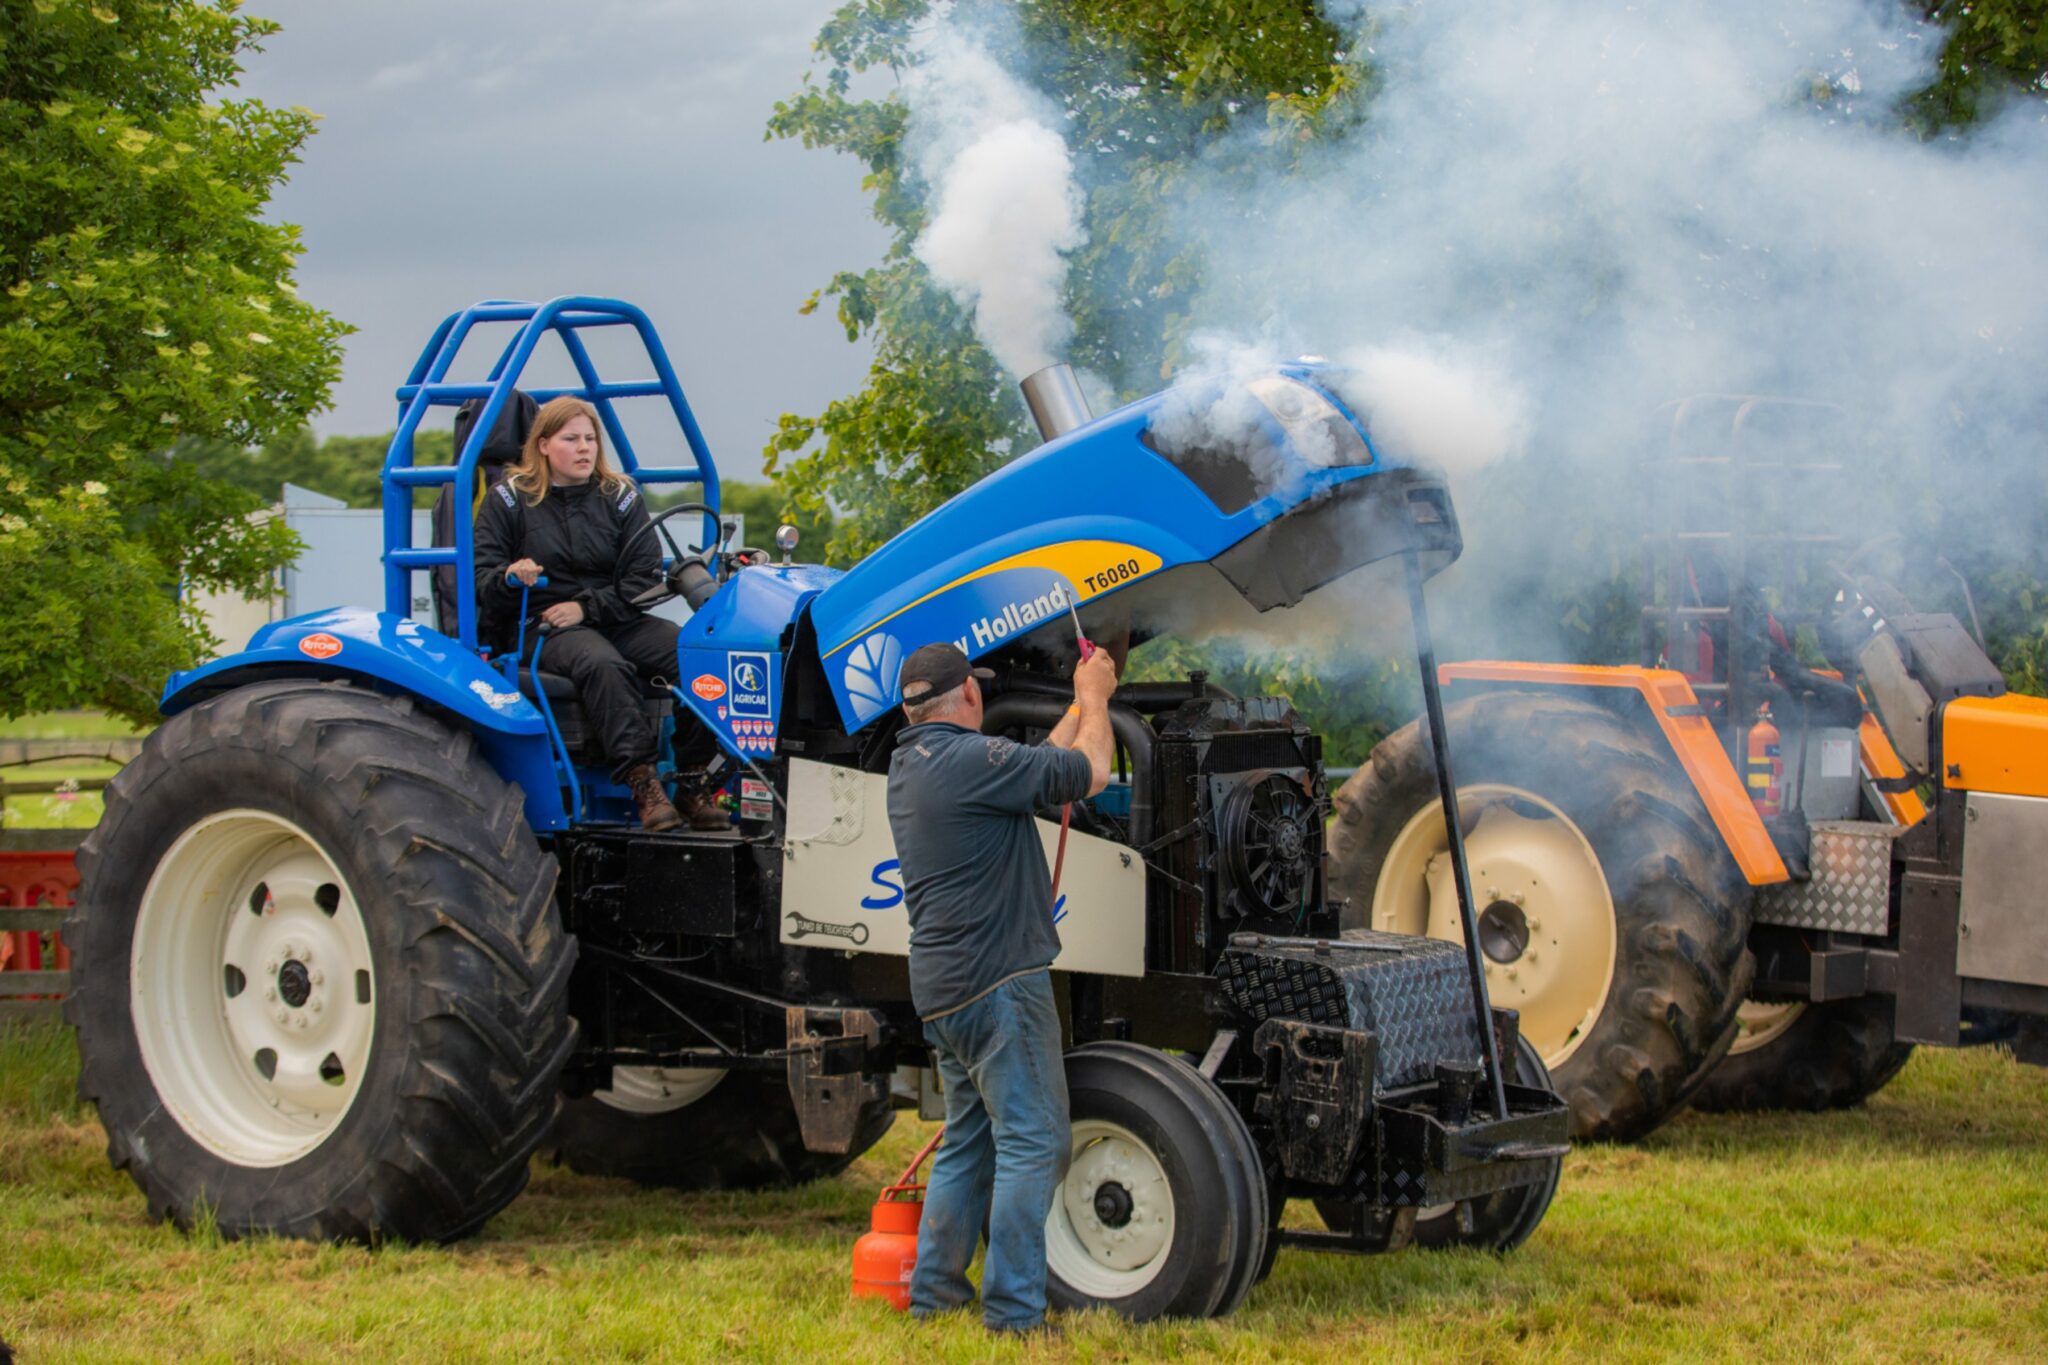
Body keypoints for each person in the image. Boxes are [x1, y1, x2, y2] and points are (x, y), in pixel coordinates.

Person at [885, 639, 1119, 1335]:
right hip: (1000, 985)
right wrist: (1100, 697)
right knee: (1034, 1142)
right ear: (968, 696)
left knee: (968, 1140)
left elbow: (1034, 765)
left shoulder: (914, 764)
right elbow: (1094, 772)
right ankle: (1015, 1315)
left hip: (944, 988)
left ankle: (935, 1296)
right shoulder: (968, 762)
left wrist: (1077, 705)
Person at [472, 394, 724, 832]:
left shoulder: (620, 496)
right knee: (604, 664)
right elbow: (483, 578)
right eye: (572, 439)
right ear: (544, 444)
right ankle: (642, 781)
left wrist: (585, 607)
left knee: (697, 655)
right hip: (541, 624)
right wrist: (512, 575)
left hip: (611, 615)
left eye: (590, 438)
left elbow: (642, 578)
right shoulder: (508, 500)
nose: (585, 448)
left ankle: (692, 782)